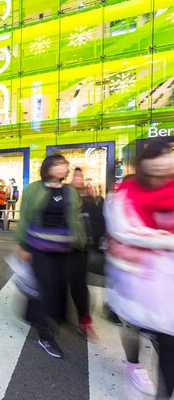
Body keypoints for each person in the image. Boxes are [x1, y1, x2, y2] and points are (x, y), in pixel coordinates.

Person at [104, 140, 174, 397]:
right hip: (134, 272)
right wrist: (165, 240)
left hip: (168, 277)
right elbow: (123, 230)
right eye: (155, 161)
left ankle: (165, 392)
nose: (162, 165)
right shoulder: (127, 191)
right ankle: (133, 362)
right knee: (132, 322)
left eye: (166, 158)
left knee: (169, 336)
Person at [15, 154, 85, 359]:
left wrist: (80, 244)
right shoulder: (34, 189)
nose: (63, 168)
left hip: (65, 250)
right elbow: (25, 217)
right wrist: (23, 245)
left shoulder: (71, 193)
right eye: (58, 164)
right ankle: (44, 334)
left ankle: (54, 321)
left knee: (60, 288)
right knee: (42, 289)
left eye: (64, 165)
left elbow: (76, 221)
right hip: (39, 249)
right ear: (47, 167)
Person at [68, 167, 100, 342]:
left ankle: (84, 321)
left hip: (81, 249)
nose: (78, 178)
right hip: (63, 246)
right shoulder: (65, 196)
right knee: (58, 282)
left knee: (79, 284)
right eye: (75, 176)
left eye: (80, 176)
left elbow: (97, 222)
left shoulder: (89, 199)